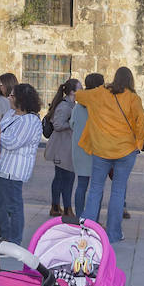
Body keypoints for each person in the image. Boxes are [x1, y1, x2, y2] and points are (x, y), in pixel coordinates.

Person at [78, 66, 144, 245]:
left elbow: (79, 96)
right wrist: (138, 144)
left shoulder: (98, 93)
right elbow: (142, 124)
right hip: (126, 150)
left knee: (95, 189)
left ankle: (87, 230)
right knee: (118, 191)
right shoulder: (133, 98)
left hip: (101, 149)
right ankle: (113, 234)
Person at [0, 83, 43, 246]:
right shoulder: (10, 114)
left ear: (21, 99)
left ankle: (14, 239)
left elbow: (13, 142)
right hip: (0, 168)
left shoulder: (31, 121)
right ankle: (4, 234)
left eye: (12, 96)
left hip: (14, 171)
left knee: (13, 206)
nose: (8, 98)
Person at [44, 78, 80, 217]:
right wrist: (73, 124)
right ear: (72, 91)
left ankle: (57, 207)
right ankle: (66, 209)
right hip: (62, 148)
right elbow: (58, 125)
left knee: (61, 178)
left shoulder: (70, 104)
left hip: (65, 147)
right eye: (79, 87)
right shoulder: (65, 106)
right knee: (67, 178)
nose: (82, 90)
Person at [70, 72, 103, 217]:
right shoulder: (100, 105)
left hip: (79, 149)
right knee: (96, 187)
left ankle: (79, 216)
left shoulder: (78, 106)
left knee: (81, 185)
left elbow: (72, 124)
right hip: (96, 149)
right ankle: (93, 218)